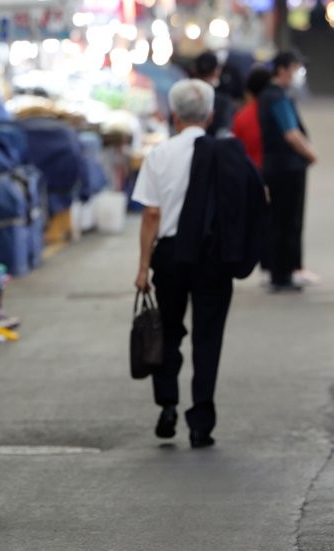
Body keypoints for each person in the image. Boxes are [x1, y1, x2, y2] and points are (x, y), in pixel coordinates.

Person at [132, 80, 265, 449]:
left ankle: (168, 405)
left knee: (168, 332)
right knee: (208, 337)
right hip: (214, 258)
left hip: (172, 257)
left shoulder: (160, 155)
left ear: (174, 116)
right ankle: (201, 421)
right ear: (209, 115)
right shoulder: (227, 154)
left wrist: (143, 267)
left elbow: (151, 216)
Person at [258, 51, 319, 291]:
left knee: (281, 218)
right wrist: (310, 154)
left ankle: (281, 269)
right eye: (296, 68)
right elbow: (291, 134)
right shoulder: (276, 97)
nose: (298, 73)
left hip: (278, 166)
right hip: (287, 167)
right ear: (283, 69)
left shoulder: (273, 95)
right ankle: (283, 272)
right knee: (288, 219)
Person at [232, 66, 274, 170]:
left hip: (251, 172)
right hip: (276, 173)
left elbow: (236, 149)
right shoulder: (277, 112)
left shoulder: (241, 117)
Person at [191, 51, 235, 138]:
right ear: (217, 71)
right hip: (213, 148)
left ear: (194, 69)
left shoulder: (183, 95)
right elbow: (223, 133)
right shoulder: (223, 102)